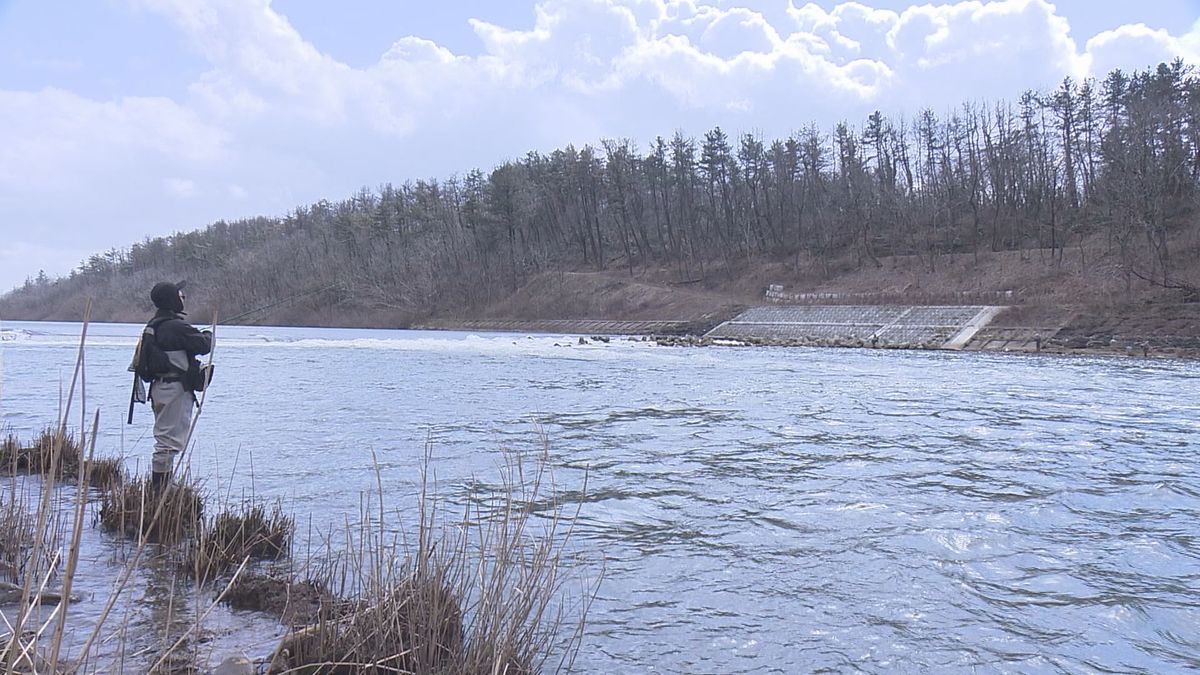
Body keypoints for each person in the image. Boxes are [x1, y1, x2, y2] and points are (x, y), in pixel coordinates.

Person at [142, 280, 212, 486]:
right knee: (167, 442)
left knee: (166, 439)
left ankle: (163, 487)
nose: (184, 298)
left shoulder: (156, 324)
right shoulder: (175, 326)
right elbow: (203, 345)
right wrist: (208, 334)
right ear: (172, 299)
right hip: (174, 390)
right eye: (180, 295)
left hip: (160, 388)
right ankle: (159, 490)